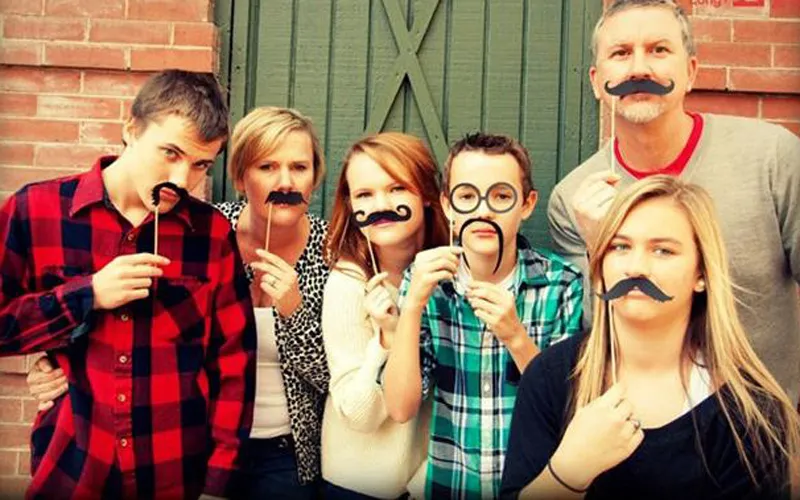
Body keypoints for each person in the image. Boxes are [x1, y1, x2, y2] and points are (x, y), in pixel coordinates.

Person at [27, 106, 331, 499]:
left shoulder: (334, 253)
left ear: (315, 177)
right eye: (267, 166)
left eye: (299, 167)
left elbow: (335, 381)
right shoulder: (204, 232)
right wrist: (54, 362)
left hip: (285, 454)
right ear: (240, 177)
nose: (285, 181)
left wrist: (294, 311)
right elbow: (130, 323)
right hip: (194, 447)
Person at [0, 70, 257, 498]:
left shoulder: (210, 233)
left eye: (200, 164)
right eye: (170, 153)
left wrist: (218, 484)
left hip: (176, 471)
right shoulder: (36, 210)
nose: (182, 179)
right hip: (73, 468)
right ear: (131, 130)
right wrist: (89, 295)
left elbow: (234, 366)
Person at [547, 0, 800, 401]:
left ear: (691, 72)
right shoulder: (574, 199)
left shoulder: (773, 158)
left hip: (765, 434)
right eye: (621, 53)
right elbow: (603, 334)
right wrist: (601, 245)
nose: (639, 69)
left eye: (659, 50)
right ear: (597, 82)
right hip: (640, 436)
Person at [502, 175, 799, 499]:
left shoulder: (748, 413)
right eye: (620, 246)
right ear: (599, 264)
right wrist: (567, 473)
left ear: (701, 274)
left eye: (663, 250)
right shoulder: (551, 378)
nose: (636, 268)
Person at [383, 132, 584, 498]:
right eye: (466, 196)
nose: (483, 210)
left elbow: (570, 409)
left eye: (502, 196)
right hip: (452, 485)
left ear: (526, 204)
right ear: (447, 205)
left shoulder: (561, 285)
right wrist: (411, 306)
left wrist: (516, 338)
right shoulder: (426, 283)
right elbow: (399, 407)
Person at [320, 132, 449, 499]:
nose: (381, 205)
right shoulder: (349, 283)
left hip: (431, 482)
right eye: (364, 194)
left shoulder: (448, 274)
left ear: (425, 193)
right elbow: (359, 416)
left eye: (397, 188)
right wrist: (385, 340)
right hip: (359, 484)